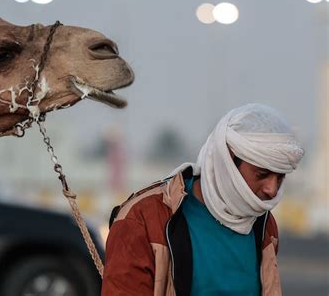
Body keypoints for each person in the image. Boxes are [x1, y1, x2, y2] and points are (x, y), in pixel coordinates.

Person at [101, 103, 304, 296]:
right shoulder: (141, 220)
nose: (272, 190)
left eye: (280, 177)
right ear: (228, 161)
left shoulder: (264, 226)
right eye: (262, 175)